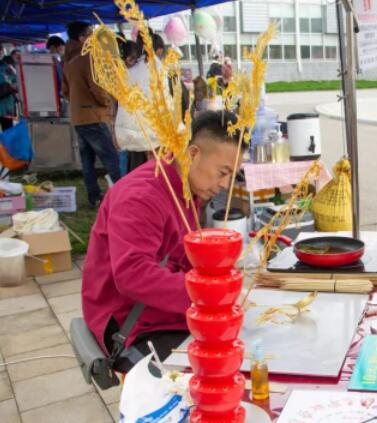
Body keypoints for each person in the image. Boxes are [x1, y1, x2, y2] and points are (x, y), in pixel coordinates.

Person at [82, 110, 244, 372]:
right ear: (193, 153)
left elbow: (185, 258)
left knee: (243, 343)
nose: (225, 184)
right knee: (214, 370)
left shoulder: (187, 187)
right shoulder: (140, 197)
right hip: (133, 327)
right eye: (223, 172)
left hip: (168, 312)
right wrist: (208, 294)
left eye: (232, 175)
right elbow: (133, 275)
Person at [62, 21, 121, 208]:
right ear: (83, 38)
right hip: (94, 116)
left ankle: (94, 197)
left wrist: (78, 103)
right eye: (90, 34)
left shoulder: (68, 61)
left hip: (79, 116)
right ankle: (123, 196)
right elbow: (97, 86)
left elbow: (65, 91)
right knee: (111, 157)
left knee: (87, 160)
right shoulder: (88, 57)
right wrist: (106, 102)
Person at [115, 31, 168, 173]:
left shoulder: (131, 70)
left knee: (137, 171)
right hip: (152, 132)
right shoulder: (157, 68)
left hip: (133, 132)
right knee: (154, 171)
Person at [0, 55, 18, 131]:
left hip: (6, 108)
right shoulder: (7, 68)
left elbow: (17, 85)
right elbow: (17, 86)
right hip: (7, 108)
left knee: (8, 131)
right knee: (8, 132)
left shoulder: (6, 68)